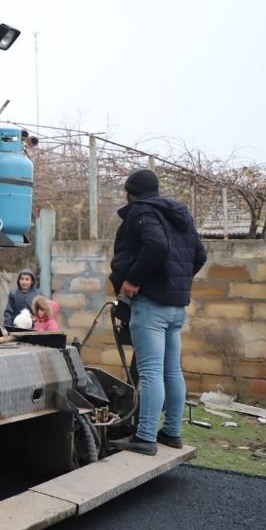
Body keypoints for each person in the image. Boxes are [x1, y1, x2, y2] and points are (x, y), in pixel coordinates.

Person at [108, 169, 208, 455]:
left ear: (131, 191)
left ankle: (146, 437)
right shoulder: (179, 215)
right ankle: (172, 433)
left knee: (151, 372)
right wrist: (176, 283)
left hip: (151, 306)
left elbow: (156, 245)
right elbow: (199, 254)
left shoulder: (142, 212)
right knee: (172, 371)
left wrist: (134, 280)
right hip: (176, 308)